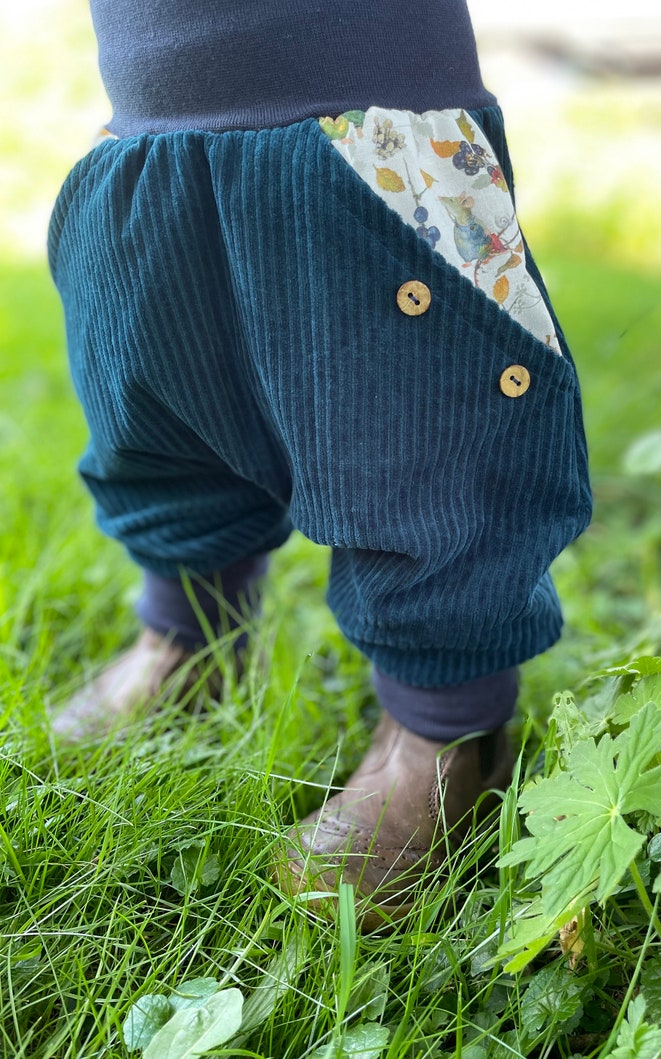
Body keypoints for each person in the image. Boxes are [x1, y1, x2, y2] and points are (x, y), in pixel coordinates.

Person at [48, 0, 591, 927]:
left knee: (419, 435)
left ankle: (448, 725)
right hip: (148, 126)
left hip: (369, 133)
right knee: (153, 397)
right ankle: (187, 638)